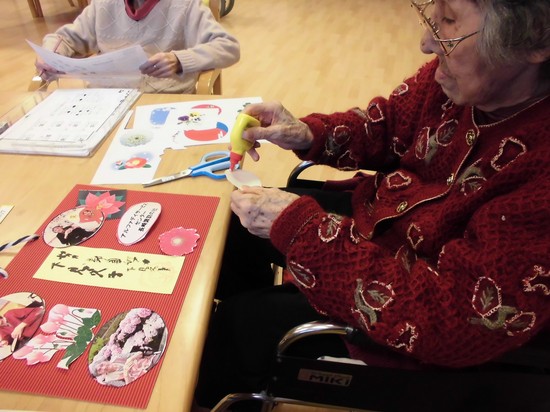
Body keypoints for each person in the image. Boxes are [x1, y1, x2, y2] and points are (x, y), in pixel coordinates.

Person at [194, 0, 550, 409]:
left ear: (535, 39)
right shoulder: (462, 80)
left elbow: (454, 321)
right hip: (385, 221)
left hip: (425, 309)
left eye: (449, 21)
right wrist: (307, 132)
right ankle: (244, 343)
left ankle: (222, 384)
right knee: (233, 223)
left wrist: (303, 232)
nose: (426, 42)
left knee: (241, 323)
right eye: (431, 16)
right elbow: (387, 126)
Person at [35, 0, 240, 93]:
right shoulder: (102, 4)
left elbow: (228, 46)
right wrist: (50, 54)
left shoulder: (186, 5)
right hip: (104, 101)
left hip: (162, 100)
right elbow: (64, 39)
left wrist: (179, 60)